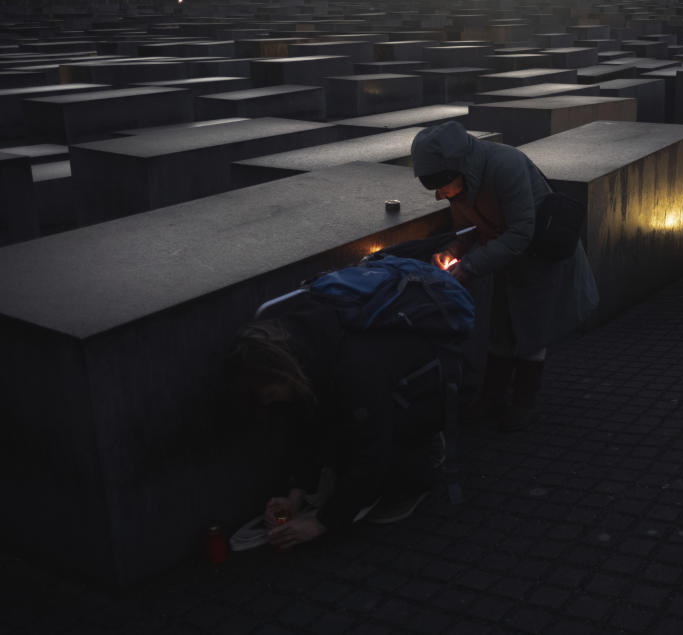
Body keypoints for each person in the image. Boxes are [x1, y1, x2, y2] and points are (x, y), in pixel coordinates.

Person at [411, 121, 599, 432]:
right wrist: (453, 250)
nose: (440, 195)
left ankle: (524, 401)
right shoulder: (460, 184)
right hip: (505, 258)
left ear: (457, 170)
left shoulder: (506, 164)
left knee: (532, 330)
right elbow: (469, 231)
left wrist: (469, 267)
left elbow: (521, 232)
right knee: (500, 325)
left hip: (542, 255)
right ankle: (492, 397)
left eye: (442, 186)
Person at [223, 299, 444, 550]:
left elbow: (371, 452)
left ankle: (417, 472)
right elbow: (308, 427)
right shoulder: (303, 355)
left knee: (375, 453)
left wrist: (322, 521)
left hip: (427, 390)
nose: (273, 404)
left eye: (272, 395)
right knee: (350, 437)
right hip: (383, 392)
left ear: (284, 375)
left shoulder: (351, 370)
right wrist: (295, 495)